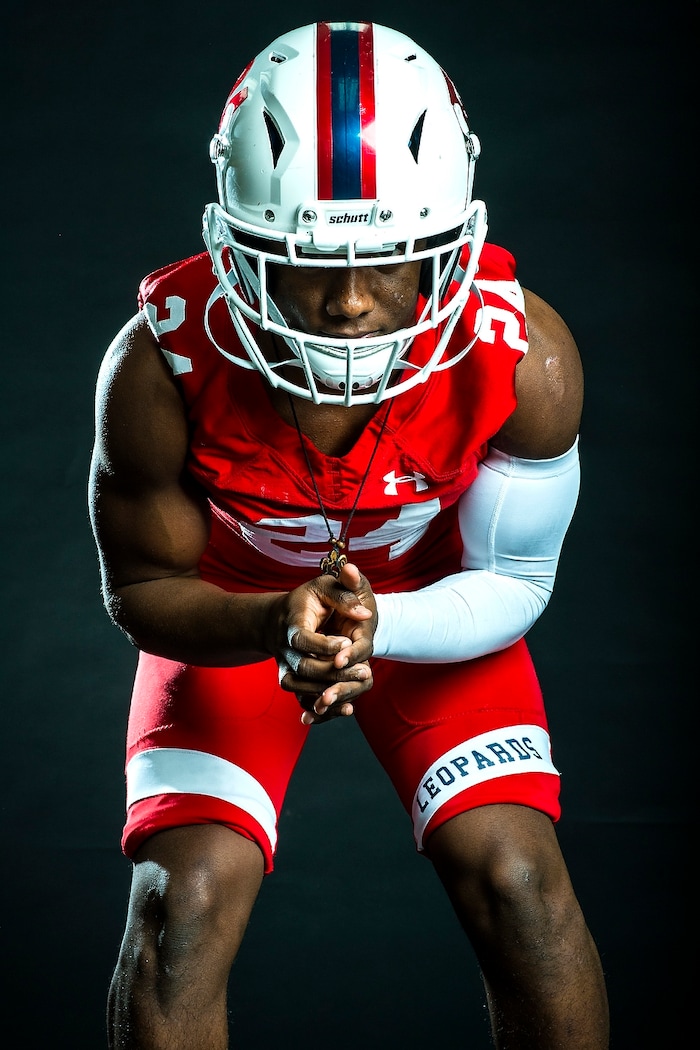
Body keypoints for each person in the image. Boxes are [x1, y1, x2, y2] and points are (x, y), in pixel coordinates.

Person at [88, 19, 609, 1049]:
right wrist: (279, 622)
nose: (350, 302)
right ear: (234, 247)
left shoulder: (528, 355)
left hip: (431, 608)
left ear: (451, 243)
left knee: (520, 882)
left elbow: (515, 580)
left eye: (392, 260)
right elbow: (142, 590)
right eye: (305, 264)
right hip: (234, 611)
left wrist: (385, 628)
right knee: (179, 905)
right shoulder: (157, 365)